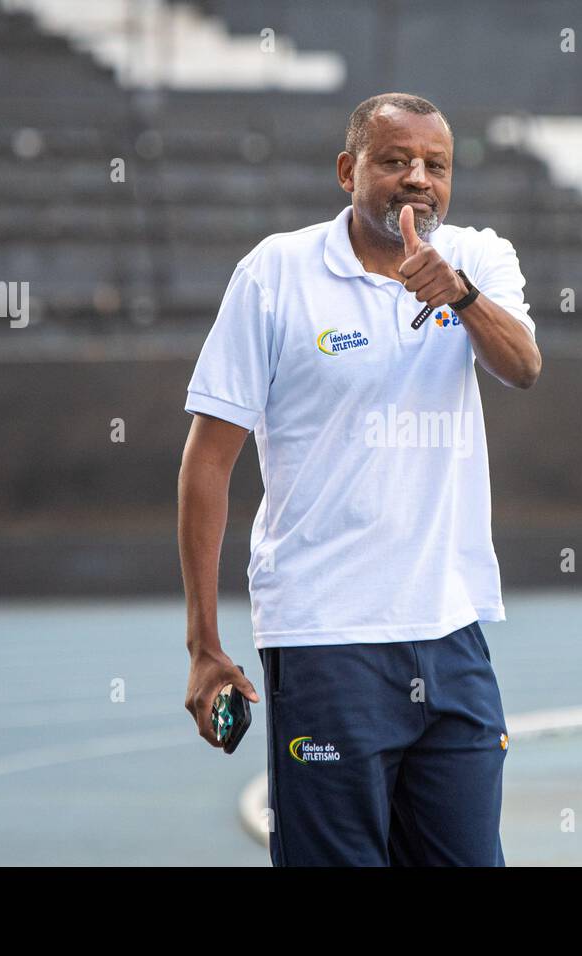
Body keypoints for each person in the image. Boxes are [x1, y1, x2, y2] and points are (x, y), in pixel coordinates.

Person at [179, 92, 541, 866]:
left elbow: (523, 368)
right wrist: (204, 643)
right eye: (394, 160)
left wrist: (460, 294)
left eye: (435, 165)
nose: (418, 178)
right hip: (325, 641)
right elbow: (208, 461)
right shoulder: (275, 273)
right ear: (349, 171)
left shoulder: (479, 258)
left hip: (451, 635)